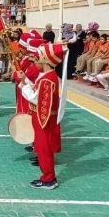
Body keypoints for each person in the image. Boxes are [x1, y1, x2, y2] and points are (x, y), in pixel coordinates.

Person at [19, 43, 66, 190]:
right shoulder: (48, 76)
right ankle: (48, 176)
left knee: (44, 147)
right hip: (42, 117)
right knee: (42, 147)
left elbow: (35, 98)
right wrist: (24, 81)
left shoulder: (48, 79)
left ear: (45, 60)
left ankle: (48, 178)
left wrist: (23, 85)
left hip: (43, 119)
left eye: (38, 58)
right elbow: (36, 90)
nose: (36, 60)